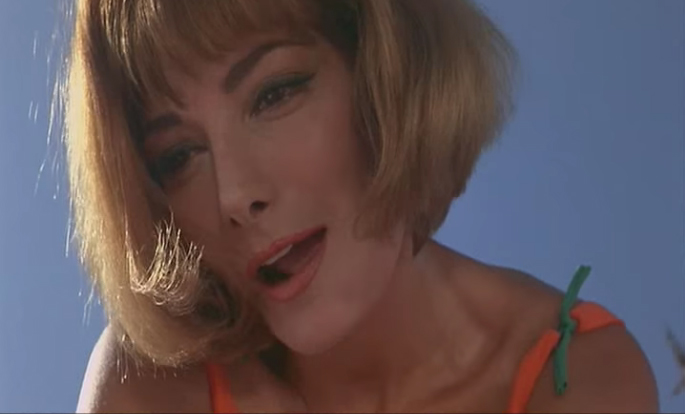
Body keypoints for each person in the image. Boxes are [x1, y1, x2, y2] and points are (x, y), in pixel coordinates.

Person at [66, 0, 658, 412]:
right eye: (178, 156)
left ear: (386, 71)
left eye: (274, 94)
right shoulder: (153, 381)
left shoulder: (578, 373)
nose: (234, 197)